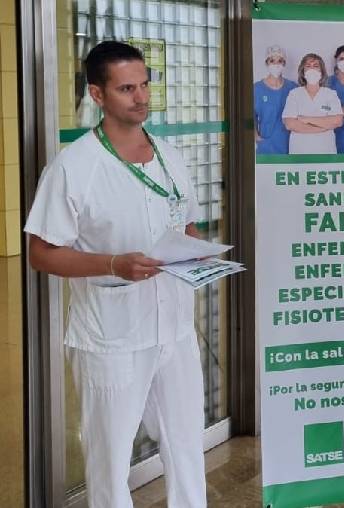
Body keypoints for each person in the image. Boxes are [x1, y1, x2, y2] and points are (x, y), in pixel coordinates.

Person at [25, 41, 206, 507]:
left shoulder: (169, 155)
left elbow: (186, 222)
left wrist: (200, 250)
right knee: (109, 461)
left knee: (187, 448)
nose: (141, 97)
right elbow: (41, 253)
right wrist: (113, 265)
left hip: (174, 328)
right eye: (127, 88)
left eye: (145, 84)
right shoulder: (75, 166)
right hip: (113, 337)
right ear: (98, 95)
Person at [282, 53, 343, 154]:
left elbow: (338, 121)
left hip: (326, 151)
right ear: (303, 71)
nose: (312, 69)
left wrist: (307, 119)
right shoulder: (294, 94)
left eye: (316, 66)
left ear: (322, 72)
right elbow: (290, 124)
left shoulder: (330, 94)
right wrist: (324, 127)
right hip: (300, 152)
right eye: (308, 66)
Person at [254, 45, 298, 154]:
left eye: (280, 61)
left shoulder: (292, 88)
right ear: (266, 63)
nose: (276, 64)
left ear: (284, 64)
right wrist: (256, 137)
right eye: (272, 61)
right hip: (266, 144)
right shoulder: (257, 89)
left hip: (290, 143)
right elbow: (250, 117)